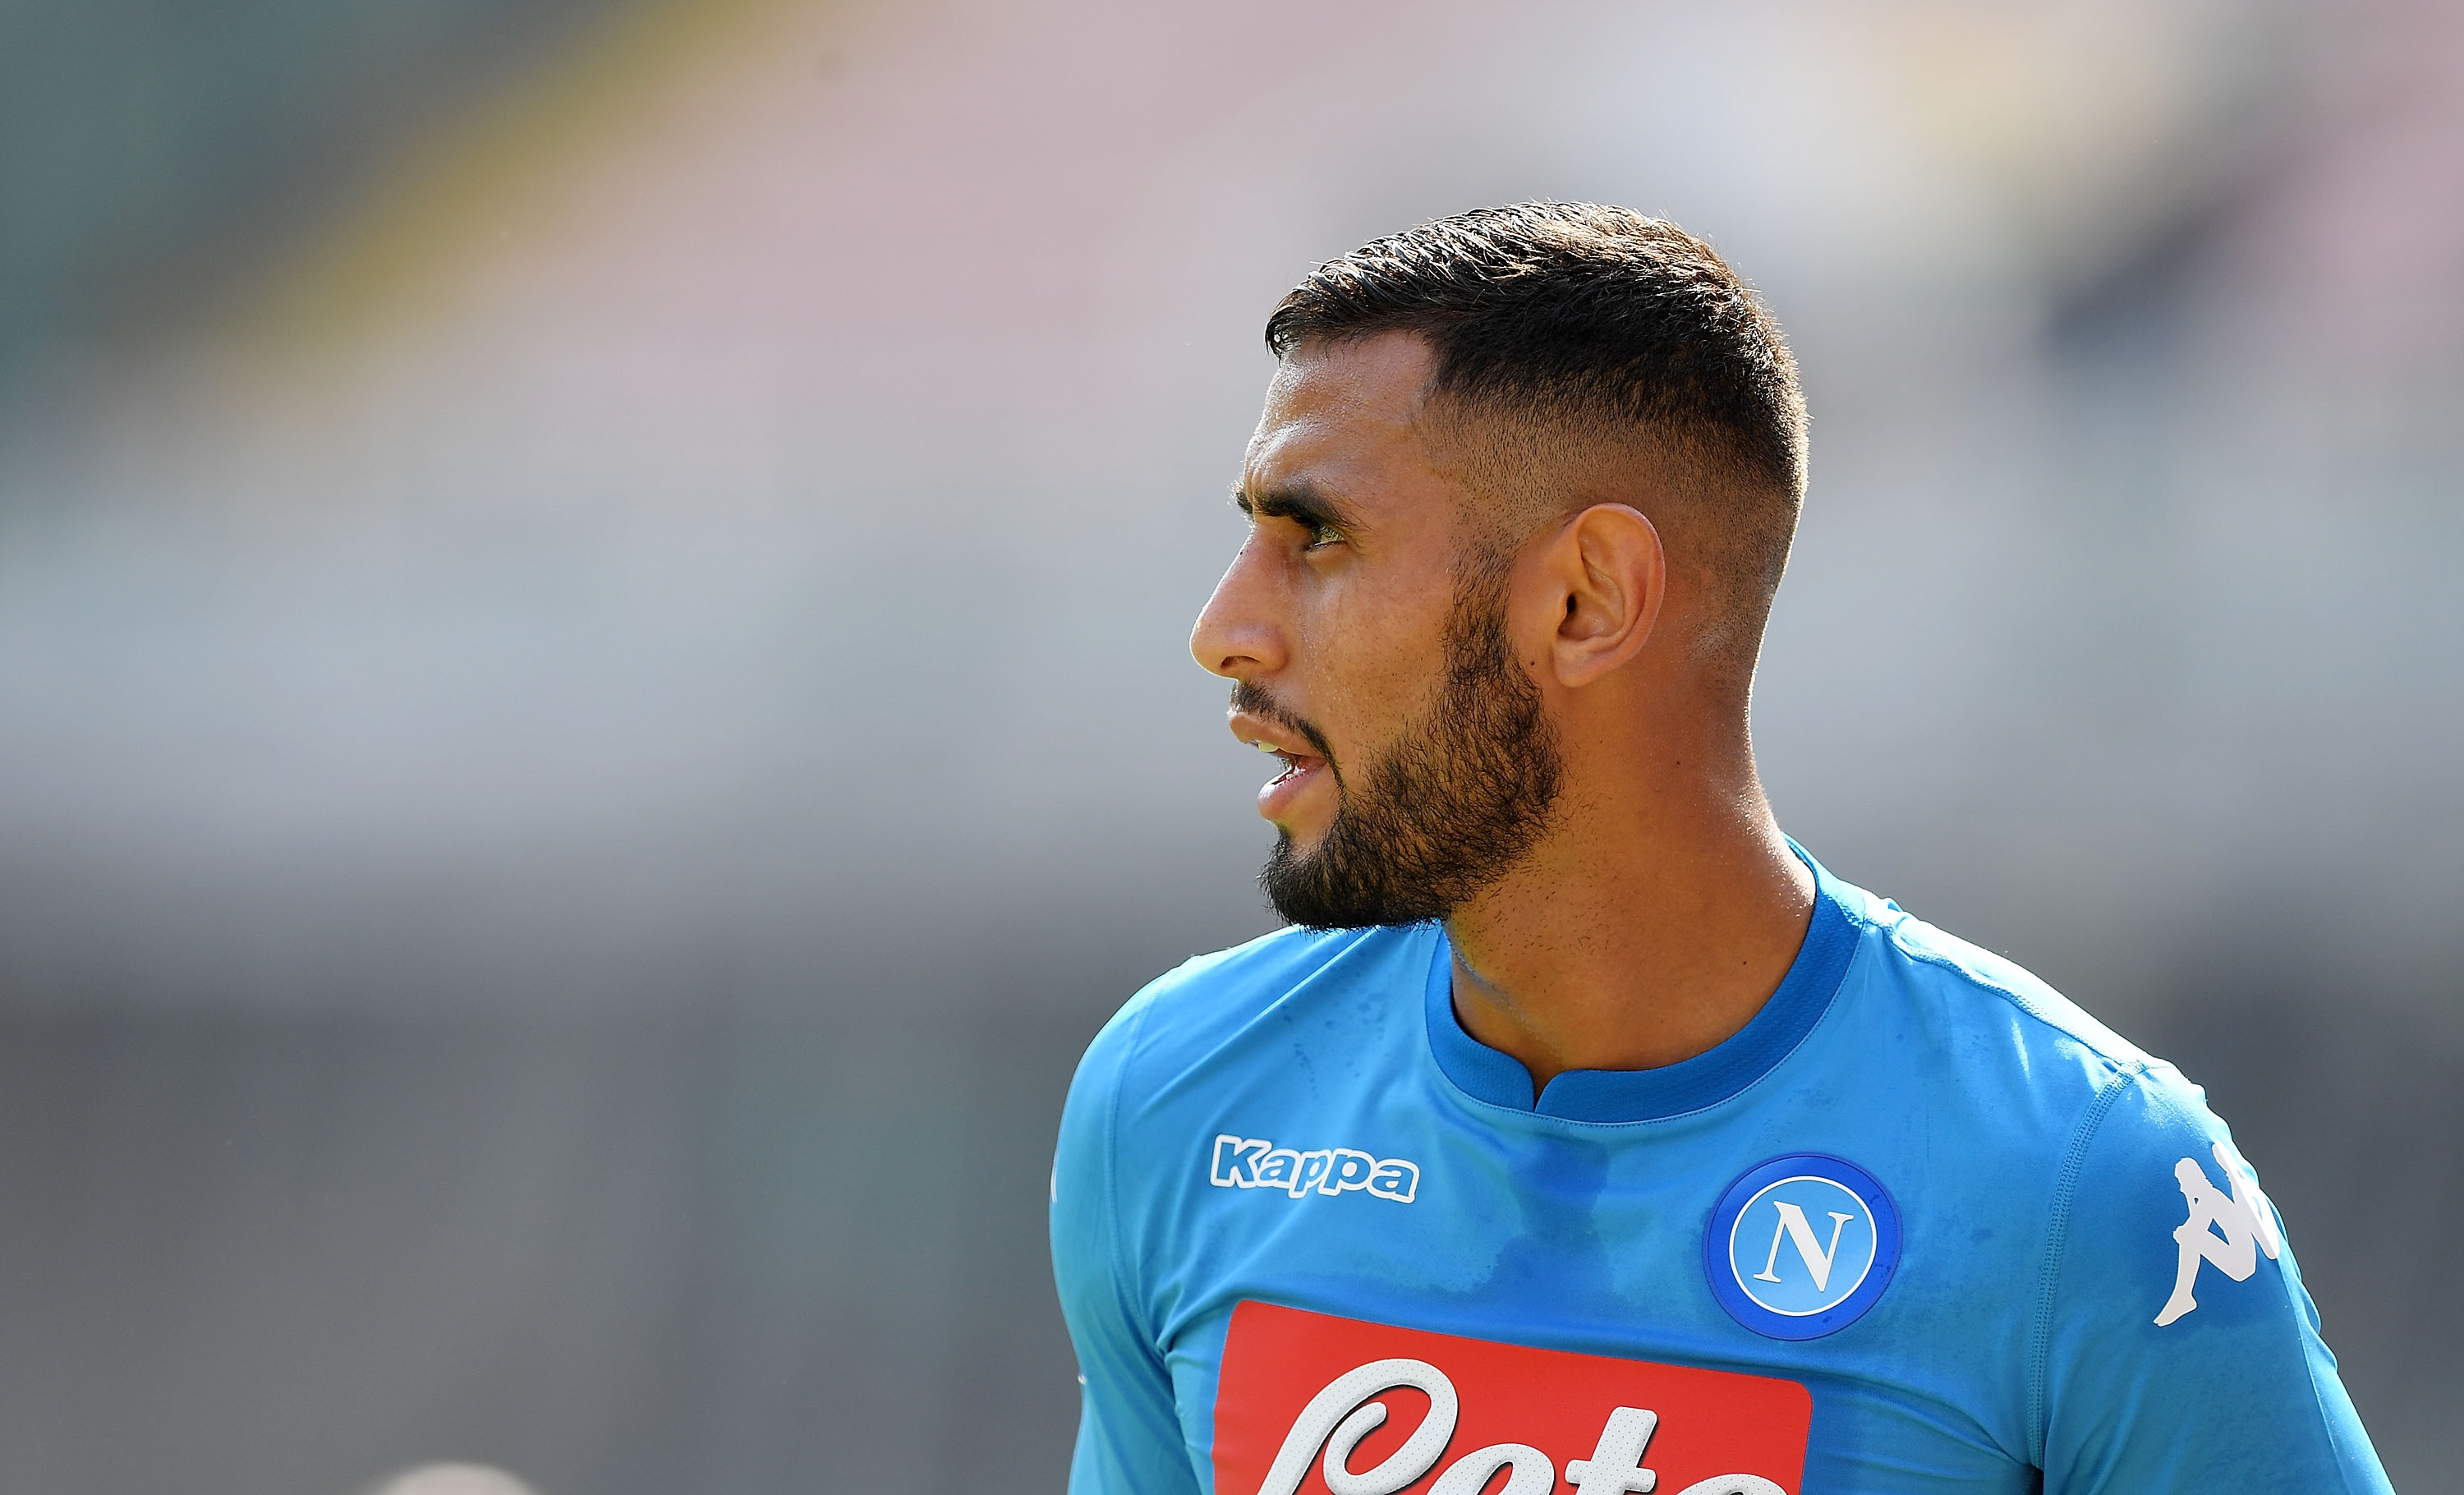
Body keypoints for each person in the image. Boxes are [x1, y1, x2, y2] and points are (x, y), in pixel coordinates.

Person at [1049, 203, 2389, 1495]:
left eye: (1317, 538)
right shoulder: (1178, 1097)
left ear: (1587, 602)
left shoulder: (2084, 1181)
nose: (1223, 631)